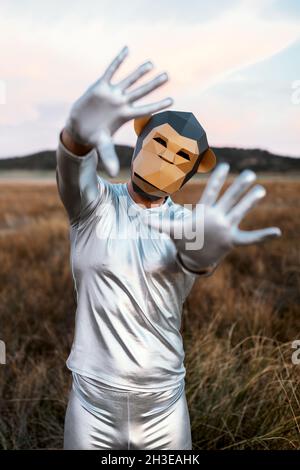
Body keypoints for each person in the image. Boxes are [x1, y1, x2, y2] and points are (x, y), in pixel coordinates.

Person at [56, 46, 281, 450]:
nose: (165, 160)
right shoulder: (93, 206)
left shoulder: (190, 222)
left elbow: (190, 258)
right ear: (139, 137)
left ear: (195, 170)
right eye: (159, 143)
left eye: (182, 157)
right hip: (91, 401)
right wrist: (75, 137)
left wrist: (207, 253)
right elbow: (74, 171)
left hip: (163, 406)